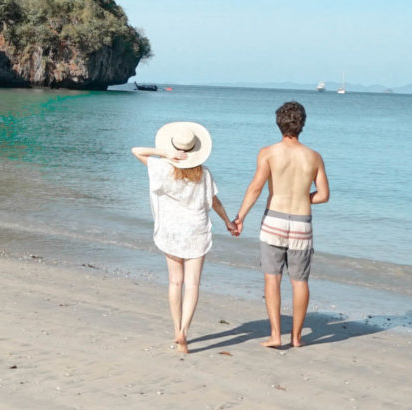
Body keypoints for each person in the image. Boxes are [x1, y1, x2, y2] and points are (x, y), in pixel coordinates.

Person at [231, 100, 330, 349]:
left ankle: (276, 335)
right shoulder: (314, 156)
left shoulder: (268, 153)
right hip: (301, 224)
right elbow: (324, 195)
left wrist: (240, 217)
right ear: (302, 125)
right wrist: (303, 197)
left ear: (278, 123)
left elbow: (255, 188)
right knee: (300, 281)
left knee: (272, 279)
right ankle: (296, 337)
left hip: (273, 220)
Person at [131, 121, 238, 353]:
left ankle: (175, 328)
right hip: (196, 231)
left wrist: (164, 153)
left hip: (171, 231)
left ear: (175, 147)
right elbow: (214, 202)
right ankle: (184, 333)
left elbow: (136, 150)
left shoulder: (162, 168)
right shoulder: (204, 173)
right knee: (192, 284)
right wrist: (228, 221)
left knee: (175, 282)